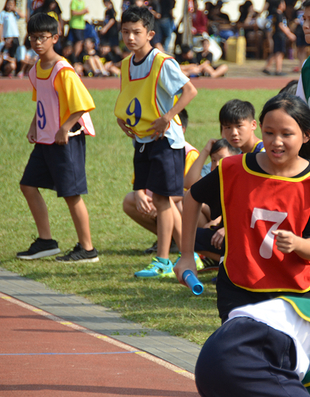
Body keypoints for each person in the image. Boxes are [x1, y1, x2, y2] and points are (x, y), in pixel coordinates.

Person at [175, 93, 310, 322]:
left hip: (294, 291)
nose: (276, 141)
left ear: (306, 135)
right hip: (239, 287)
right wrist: (186, 256)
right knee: (241, 354)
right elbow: (192, 197)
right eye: (270, 133)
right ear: (260, 129)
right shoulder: (233, 169)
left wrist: (296, 243)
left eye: (287, 134)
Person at [115, 6, 197, 278]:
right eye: (125, 32)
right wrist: (122, 118)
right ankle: (187, 252)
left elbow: (190, 90)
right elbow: (128, 97)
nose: (130, 37)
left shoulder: (162, 62)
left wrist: (168, 117)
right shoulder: (126, 64)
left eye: (136, 32)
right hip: (142, 139)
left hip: (165, 140)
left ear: (150, 33)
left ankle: (164, 259)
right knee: (155, 198)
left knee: (163, 200)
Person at [17, 13, 98, 263]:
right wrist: (34, 125)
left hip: (66, 139)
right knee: (28, 185)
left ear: (55, 38)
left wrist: (65, 128)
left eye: (42, 37)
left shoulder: (63, 70)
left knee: (71, 193)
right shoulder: (35, 70)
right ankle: (46, 241)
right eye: (33, 38)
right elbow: (42, 102)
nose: (37, 42)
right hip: (45, 139)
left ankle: (87, 249)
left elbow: (83, 104)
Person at [122, 109, 199, 256]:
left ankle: (186, 251)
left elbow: (190, 190)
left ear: (180, 129)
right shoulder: (148, 148)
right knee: (130, 200)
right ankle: (167, 240)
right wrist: (140, 195)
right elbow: (140, 180)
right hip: (157, 199)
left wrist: (160, 201)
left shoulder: (189, 153)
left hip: (177, 203)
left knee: (167, 202)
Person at [262, 0, 297, 76]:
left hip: (277, 35)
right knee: (279, 52)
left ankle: (267, 67)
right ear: (280, 5)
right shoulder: (279, 14)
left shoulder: (276, 14)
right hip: (279, 35)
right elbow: (281, 25)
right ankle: (278, 70)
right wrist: (289, 34)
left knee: (275, 52)